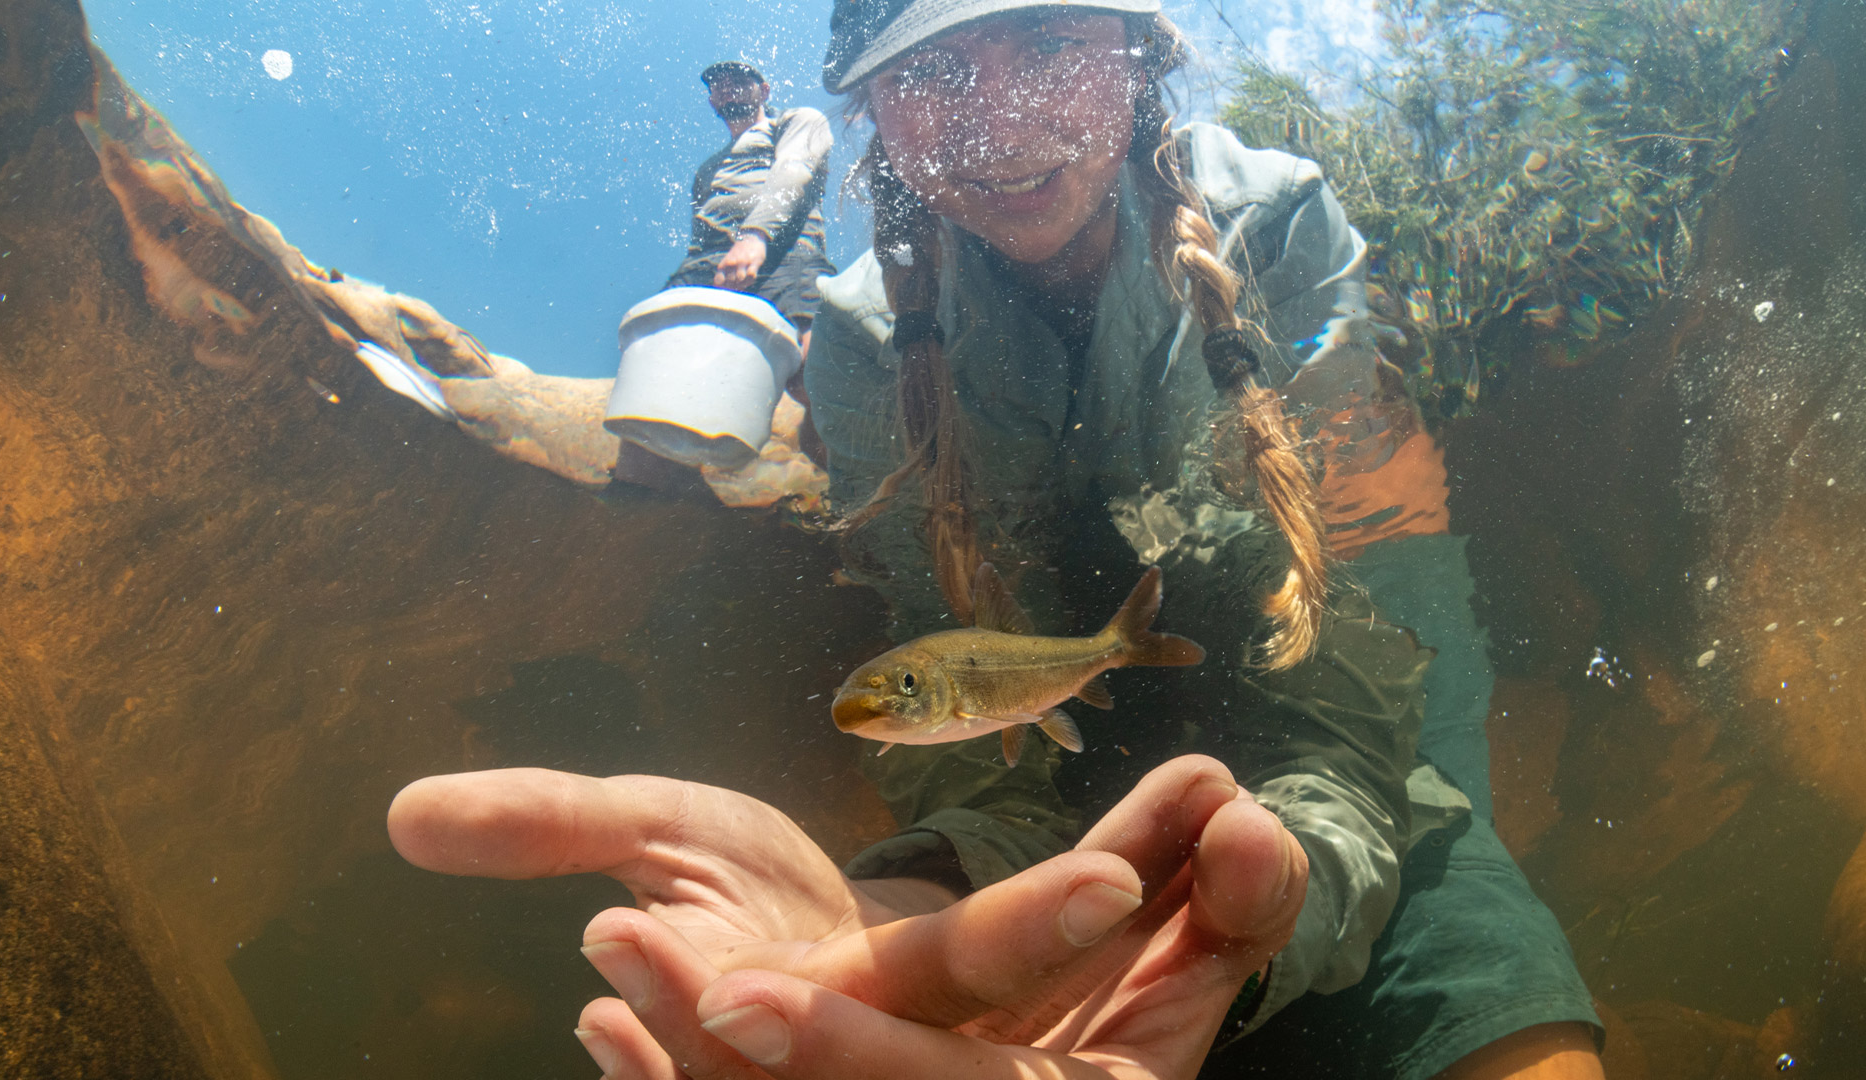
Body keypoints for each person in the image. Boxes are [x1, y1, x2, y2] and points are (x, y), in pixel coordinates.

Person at [390, 2, 1606, 1077]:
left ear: (1138, 52)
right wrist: (915, 904)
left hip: (1375, 800)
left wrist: (1282, 888)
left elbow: (1376, 621)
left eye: (1050, 42)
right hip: (1057, 825)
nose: (1005, 125)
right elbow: (955, 694)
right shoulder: (867, 341)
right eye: (935, 74)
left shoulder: (1274, 219)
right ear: (872, 114)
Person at [618, 58, 838, 487]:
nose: (730, 88)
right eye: (720, 85)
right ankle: (637, 504)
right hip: (708, 263)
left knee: (818, 381)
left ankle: (858, 489)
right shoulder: (708, 169)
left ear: (765, 89)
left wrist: (755, 236)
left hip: (788, 253)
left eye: (741, 80)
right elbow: (702, 231)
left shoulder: (797, 121)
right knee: (660, 379)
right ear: (712, 99)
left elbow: (794, 171)